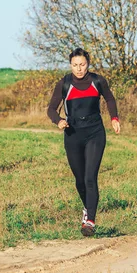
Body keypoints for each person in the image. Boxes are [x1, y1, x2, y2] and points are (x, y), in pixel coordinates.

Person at [47, 48, 120, 237]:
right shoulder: (64, 83)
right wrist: (59, 121)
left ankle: (90, 221)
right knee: (79, 181)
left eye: (82, 65)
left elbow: (110, 99)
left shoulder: (97, 81)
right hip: (73, 134)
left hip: (95, 132)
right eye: (75, 65)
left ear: (88, 63)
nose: (79, 69)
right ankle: (87, 209)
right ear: (70, 65)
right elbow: (51, 109)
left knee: (90, 178)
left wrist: (114, 118)